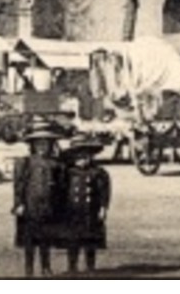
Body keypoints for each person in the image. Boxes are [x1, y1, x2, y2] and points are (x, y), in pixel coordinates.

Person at [12, 118, 65, 277]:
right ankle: (29, 268)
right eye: (38, 144)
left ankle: (45, 266)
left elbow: (61, 186)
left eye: (46, 144)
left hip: (49, 206)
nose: (42, 147)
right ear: (32, 145)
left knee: (46, 239)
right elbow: (19, 185)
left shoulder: (56, 164)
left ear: (51, 145)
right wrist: (19, 203)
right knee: (30, 240)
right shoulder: (26, 163)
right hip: (30, 206)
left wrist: (60, 206)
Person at [58, 136, 111, 274]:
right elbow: (61, 191)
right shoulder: (68, 172)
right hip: (73, 211)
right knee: (73, 241)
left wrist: (103, 207)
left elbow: (104, 191)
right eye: (79, 156)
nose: (83, 159)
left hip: (90, 212)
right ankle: (72, 266)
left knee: (90, 240)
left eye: (86, 155)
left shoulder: (98, 173)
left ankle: (90, 266)